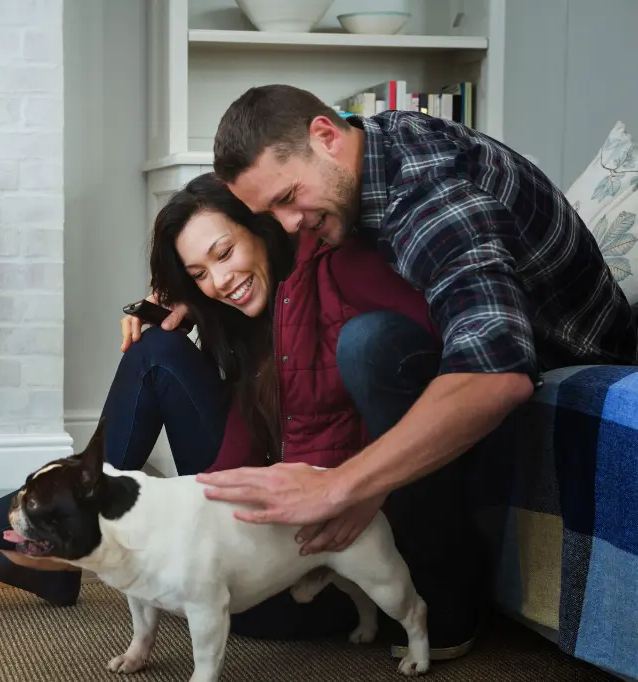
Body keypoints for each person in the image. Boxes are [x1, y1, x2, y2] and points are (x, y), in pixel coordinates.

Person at [0, 172, 446, 649]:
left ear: (261, 228)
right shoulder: (241, 313)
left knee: (151, 363)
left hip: (302, 565)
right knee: (154, 351)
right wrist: (175, 305)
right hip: (254, 516)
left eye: (225, 252)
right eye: (199, 272)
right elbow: (236, 440)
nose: (219, 278)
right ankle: (62, 546)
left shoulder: (334, 290)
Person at [153, 85, 638, 657]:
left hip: (557, 359)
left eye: (287, 198)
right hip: (482, 344)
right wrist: (192, 297)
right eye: (270, 213)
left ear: (326, 137)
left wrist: (345, 485)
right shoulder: (363, 150)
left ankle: (450, 594)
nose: (287, 224)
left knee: (371, 344)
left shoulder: (432, 197)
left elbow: (498, 372)